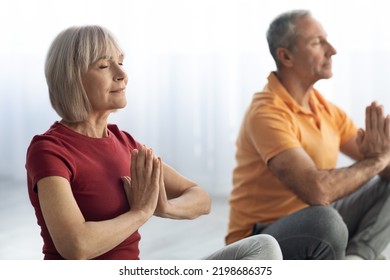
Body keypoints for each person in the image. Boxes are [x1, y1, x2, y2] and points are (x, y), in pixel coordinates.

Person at [26, 25, 282, 260]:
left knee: (262, 247)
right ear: (72, 77)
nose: (122, 75)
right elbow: (75, 246)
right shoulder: (48, 150)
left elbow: (201, 198)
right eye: (104, 66)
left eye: (121, 62)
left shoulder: (125, 143)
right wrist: (140, 212)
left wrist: (164, 207)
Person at [226, 9, 390, 260]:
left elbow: (379, 163)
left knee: (327, 217)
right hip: (260, 238)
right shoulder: (266, 113)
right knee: (326, 221)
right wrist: (377, 160)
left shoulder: (325, 109)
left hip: (315, 217)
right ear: (286, 56)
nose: (332, 49)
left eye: (327, 40)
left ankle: (356, 262)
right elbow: (317, 192)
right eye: (317, 42)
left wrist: (384, 154)